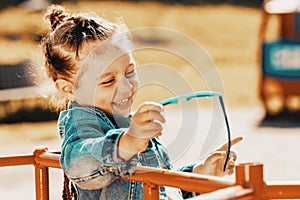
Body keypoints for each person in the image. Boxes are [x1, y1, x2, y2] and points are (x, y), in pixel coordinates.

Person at [40, 4, 243, 200]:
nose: (127, 87)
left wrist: (199, 173)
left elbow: (160, 188)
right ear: (68, 89)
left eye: (130, 72)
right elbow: (79, 164)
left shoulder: (130, 124)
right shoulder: (83, 124)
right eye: (108, 81)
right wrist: (126, 144)